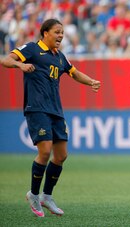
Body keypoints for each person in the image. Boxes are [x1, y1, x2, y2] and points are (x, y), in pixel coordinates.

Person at [0, 18, 101, 217]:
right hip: (37, 109)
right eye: (57, 32)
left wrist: (91, 82)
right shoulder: (31, 49)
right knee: (45, 151)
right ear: (45, 33)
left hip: (56, 111)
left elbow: (73, 73)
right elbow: (6, 60)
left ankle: (47, 196)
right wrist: (20, 66)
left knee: (62, 155)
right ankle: (34, 194)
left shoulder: (60, 56)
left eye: (62, 32)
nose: (61, 36)